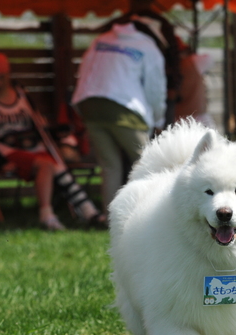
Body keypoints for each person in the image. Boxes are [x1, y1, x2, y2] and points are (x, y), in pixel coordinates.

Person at [0, 52, 104, 231]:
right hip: (8, 152)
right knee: (46, 165)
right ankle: (47, 215)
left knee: (58, 165)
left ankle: (89, 211)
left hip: (34, 147)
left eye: (1, 77)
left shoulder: (22, 96)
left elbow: (38, 125)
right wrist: (0, 162)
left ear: (8, 75)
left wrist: (50, 129)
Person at [71, 23, 166, 214]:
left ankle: (110, 219)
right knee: (147, 164)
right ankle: (151, 217)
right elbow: (155, 88)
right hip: (124, 110)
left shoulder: (100, 40)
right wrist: (158, 119)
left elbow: (84, 72)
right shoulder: (148, 46)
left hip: (90, 106)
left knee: (109, 166)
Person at [99, 0, 180, 127]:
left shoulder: (160, 24)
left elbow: (172, 55)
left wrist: (172, 85)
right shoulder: (122, 23)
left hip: (149, 82)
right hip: (129, 87)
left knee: (161, 132)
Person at [174, 37, 216, 128]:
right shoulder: (193, 61)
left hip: (178, 120)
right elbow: (210, 59)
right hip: (197, 119)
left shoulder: (166, 66)